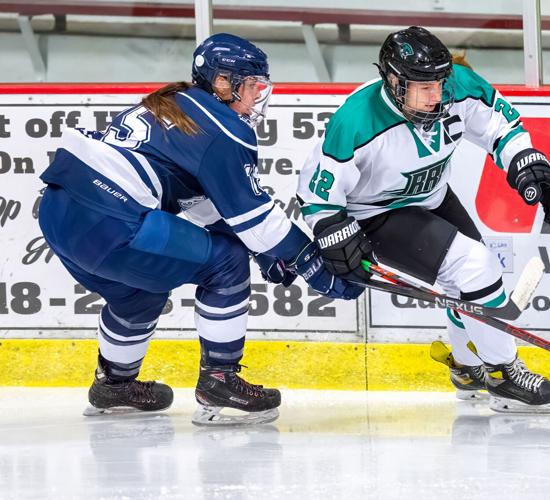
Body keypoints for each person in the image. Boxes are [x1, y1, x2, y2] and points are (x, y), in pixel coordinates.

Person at [38, 33, 362, 426]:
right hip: (113, 221)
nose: (257, 96)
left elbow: (207, 206)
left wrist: (266, 250)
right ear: (223, 82)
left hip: (58, 214)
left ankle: (114, 385)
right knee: (225, 262)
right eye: (251, 85)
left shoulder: (173, 104)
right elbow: (256, 218)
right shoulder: (224, 128)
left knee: (139, 294)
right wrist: (309, 261)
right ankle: (219, 383)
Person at [295, 27, 550, 413]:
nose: (437, 95)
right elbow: (317, 189)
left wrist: (527, 162)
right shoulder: (356, 120)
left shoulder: (457, 85)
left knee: (472, 283)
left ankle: (468, 367)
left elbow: (500, 127)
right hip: (377, 214)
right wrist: (329, 228)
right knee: (475, 266)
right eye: (423, 87)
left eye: (440, 83)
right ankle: (504, 373)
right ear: (392, 80)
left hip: (433, 196)